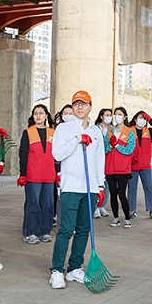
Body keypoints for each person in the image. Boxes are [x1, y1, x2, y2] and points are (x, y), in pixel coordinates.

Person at [48, 90, 106, 290]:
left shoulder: (96, 131)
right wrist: (76, 140)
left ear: (90, 106)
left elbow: (100, 159)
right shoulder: (63, 129)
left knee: (84, 229)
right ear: (72, 107)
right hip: (71, 187)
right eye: (76, 104)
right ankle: (57, 270)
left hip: (90, 188)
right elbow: (57, 154)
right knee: (66, 229)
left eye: (84, 104)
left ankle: (74, 268)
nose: (79, 107)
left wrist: (101, 184)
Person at [19, 104, 57, 244]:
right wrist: (22, 173)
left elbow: (57, 154)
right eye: (36, 113)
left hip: (49, 175)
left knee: (48, 204)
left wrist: (58, 172)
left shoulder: (53, 133)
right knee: (32, 204)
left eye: (41, 113)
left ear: (46, 115)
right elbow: (23, 155)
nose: (38, 116)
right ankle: (30, 232)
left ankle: (45, 231)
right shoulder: (27, 133)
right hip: (32, 175)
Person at [104, 107, 137, 228]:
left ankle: (127, 218)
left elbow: (129, 150)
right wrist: (110, 146)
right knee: (113, 193)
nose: (117, 116)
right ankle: (116, 218)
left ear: (124, 117)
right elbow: (105, 148)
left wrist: (116, 145)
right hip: (110, 168)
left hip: (123, 169)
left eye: (119, 114)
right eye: (115, 114)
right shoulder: (110, 131)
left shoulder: (129, 132)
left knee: (122, 194)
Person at [128, 111, 152, 220]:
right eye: (140, 118)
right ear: (135, 119)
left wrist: (149, 118)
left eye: (144, 118)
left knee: (148, 188)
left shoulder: (149, 132)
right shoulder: (129, 131)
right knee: (132, 189)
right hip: (132, 166)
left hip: (146, 166)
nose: (142, 120)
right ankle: (132, 210)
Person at [92, 108, 114, 219]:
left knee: (106, 184)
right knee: (96, 183)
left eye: (110, 115)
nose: (109, 117)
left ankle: (102, 205)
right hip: (96, 160)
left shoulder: (113, 129)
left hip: (109, 160)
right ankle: (95, 207)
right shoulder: (95, 129)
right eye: (107, 115)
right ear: (101, 116)